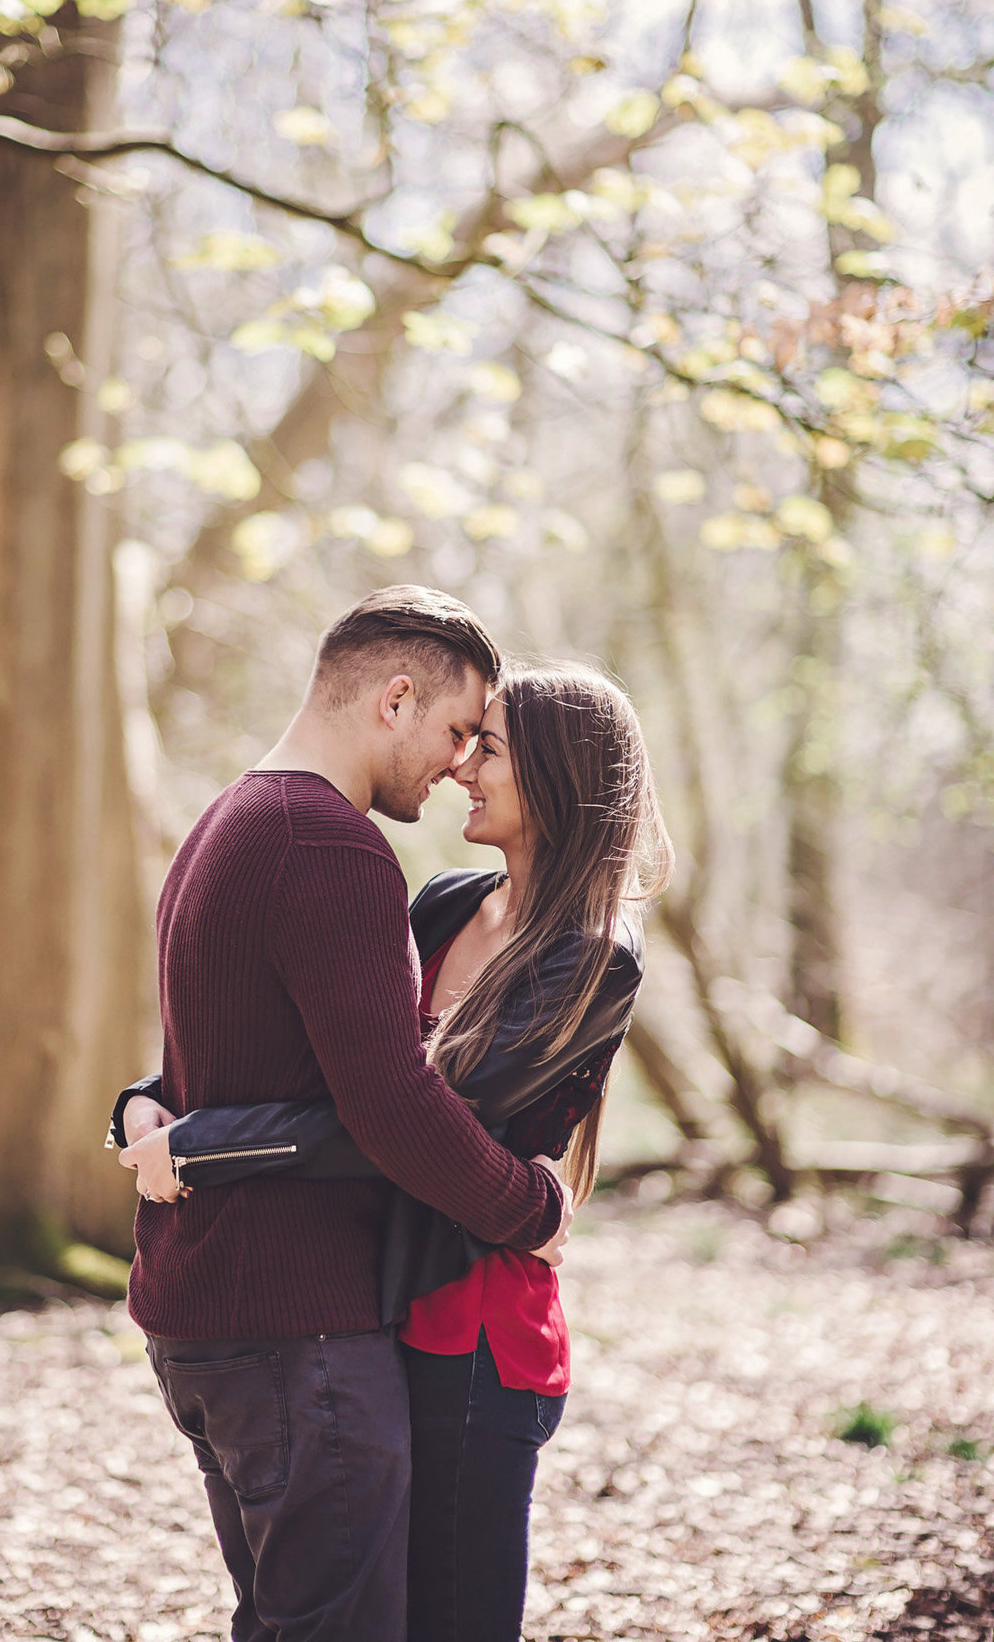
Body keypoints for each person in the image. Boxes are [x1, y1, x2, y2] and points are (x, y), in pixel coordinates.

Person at [116, 660, 673, 1642]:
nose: (460, 765)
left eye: (487, 746)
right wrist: (153, 1101)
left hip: (476, 1332)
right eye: (464, 740)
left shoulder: (592, 956)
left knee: (452, 1621)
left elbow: (404, 1115)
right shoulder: (447, 902)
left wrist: (208, 1147)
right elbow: (324, 1060)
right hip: (369, 1305)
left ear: (554, 773)